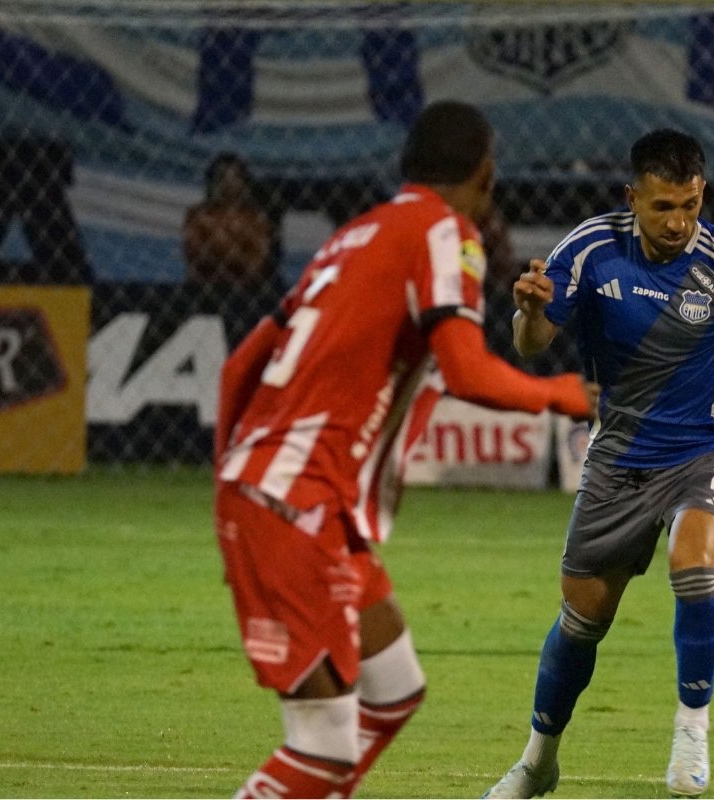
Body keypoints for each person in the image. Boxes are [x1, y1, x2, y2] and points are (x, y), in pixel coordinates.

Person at [213, 101, 597, 799]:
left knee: (393, 691)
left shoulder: (353, 236)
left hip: (287, 499)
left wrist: (233, 495)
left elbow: (239, 366)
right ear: (486, 174)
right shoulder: (446, 233)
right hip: (294, 504)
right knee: (323, 745)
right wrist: (564, 393)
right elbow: (466, 369)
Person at [483, 128, 714, 798]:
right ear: (633, 198)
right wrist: (529, 314)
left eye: (690, 205)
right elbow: (532, 344)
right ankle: (538, 762)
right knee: (582, 620)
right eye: (662, 208)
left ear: (701, 195)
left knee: (694, 563)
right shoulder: (591, 249)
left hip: (705, 452)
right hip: (619, 457)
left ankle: (691, 727)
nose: (679, 223)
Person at [183, 152, 277, 289]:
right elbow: (195, 256)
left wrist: (227, 257)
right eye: (222, 177)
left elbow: (258, 261)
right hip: (204, 286)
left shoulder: (255, 217)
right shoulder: (198, 215)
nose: (228, 183)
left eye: (235, 177)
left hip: (248, 288)